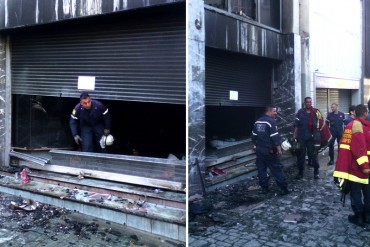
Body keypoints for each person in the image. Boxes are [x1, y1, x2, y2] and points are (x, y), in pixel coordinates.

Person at [333, 104, 370, 226]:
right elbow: (358, 148)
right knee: (365, 192)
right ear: (364, 113)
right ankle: (364, 217)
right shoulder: (358, 126)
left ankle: (360, 216)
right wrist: (365, 166)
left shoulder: (354, 126)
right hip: (361, 167)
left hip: (356, 167)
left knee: (357, 193)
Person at [252, 105, 290, 195]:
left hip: (259, 150)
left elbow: (254, 136)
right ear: (269, 111)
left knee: (261, 170)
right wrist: (279, 150)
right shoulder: (271, 122)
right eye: (274, 111)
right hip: (269, 151)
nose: (275, 113)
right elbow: (275, 138)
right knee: (276, 169)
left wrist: (254, 147)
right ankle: (283, 189)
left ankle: (264, 189)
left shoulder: (257, 121)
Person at [292, 97, 320, 179]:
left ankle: (316, 172)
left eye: (310, 102)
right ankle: (300, 172)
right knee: (300, 156)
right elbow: (296, 125)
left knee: (313, 155)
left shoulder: (316, 112)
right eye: (307, 102)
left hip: (312, 139)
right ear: (304, 103)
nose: (309, 103)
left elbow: (321, 123)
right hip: (301, 138)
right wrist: (294, 135)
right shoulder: (300, 112)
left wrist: (320, 136)